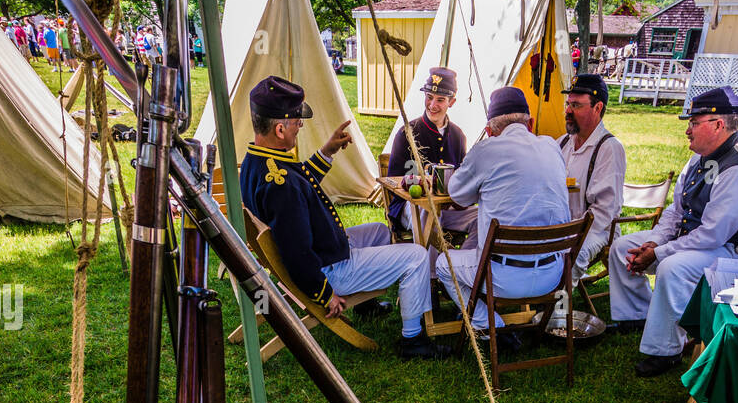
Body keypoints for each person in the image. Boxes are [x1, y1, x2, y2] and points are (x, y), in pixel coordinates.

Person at [239, 76, 445, 359]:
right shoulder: (281, 183)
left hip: (325, 252)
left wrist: (328, 150)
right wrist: (324, 295)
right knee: (417, 256)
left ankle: (365, 304)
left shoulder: (258, 161)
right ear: (279, 128)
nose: (300, 126)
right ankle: (413, 340)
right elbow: (297, 252)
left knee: (381, 232)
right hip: (329, 270)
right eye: (297, 122)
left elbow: (302, 182)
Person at [608, 85, 738, 377]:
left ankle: (666, 351)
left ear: (719, 124)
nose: (688, 131)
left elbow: (713, 236)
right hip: (697, 240)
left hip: (732, 253)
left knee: (672, 267)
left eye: (694, 123)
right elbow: (676, 210)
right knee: (622, 248)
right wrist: (653, 242)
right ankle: (637, 316)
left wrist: (657, 253)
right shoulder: (700, 158)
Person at [434, 86, 571, 332]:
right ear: (530, 123)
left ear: (489, 131)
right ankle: (500, 326)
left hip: (501, 277)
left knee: (444, 263)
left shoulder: (486, 150)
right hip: (553, 275)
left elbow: (457, 194)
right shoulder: (552, 146)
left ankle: (491, 326)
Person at [386, 67, 477, 244]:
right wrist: (419, 181)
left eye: (440, 100)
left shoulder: (458, 136)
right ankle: (431, 271)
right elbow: (392, 181)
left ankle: (459, 264)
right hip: (411, 208)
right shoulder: (407, 133)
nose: (432, 105)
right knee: (427, 212)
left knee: (482, 216)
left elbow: (461, 178)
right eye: (429, 97)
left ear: (452, 102)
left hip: (447, 210)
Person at [557, 73, 626, 290]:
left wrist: (570, 232)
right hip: (561, 225)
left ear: (597, 108)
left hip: (595, 229)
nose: (568, 111)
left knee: (571, 256)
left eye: (576, 105)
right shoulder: (562, 143)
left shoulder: (609, 148)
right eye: (568, 104)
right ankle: (530, 298)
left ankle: (556, 314)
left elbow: (605, 211)